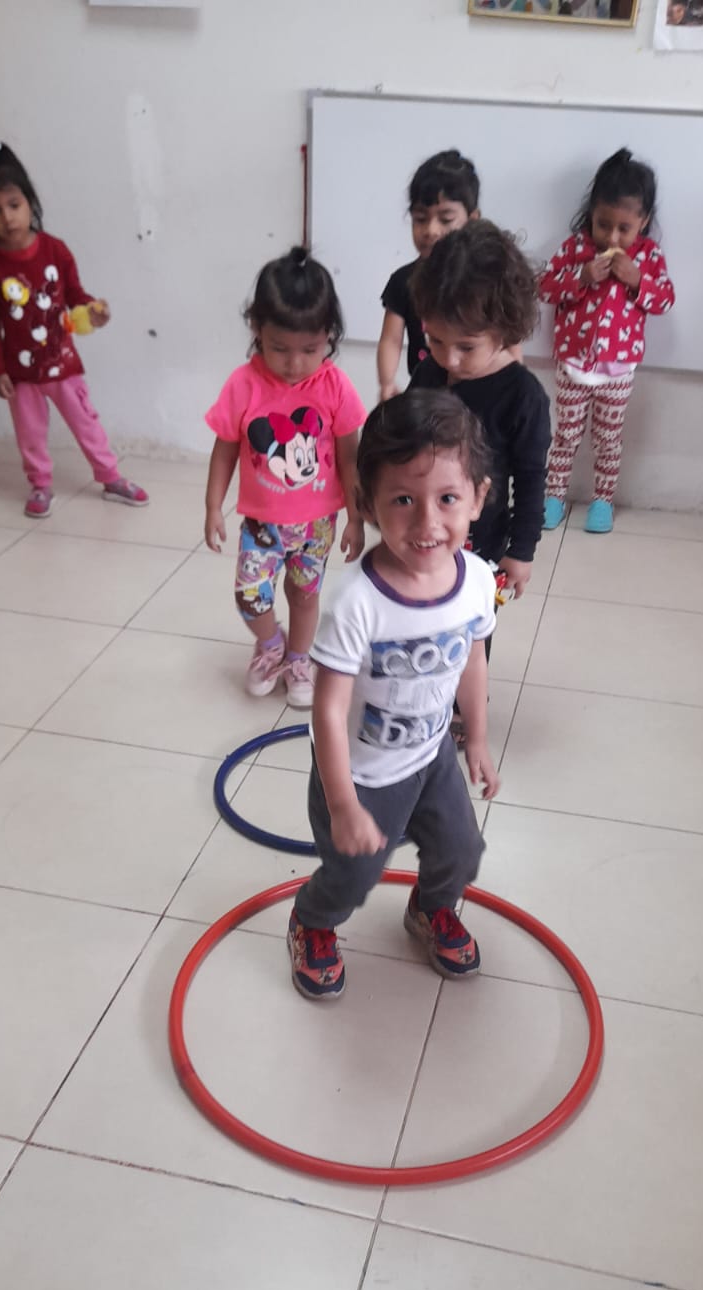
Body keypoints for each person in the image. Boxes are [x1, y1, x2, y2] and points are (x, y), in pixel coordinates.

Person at [287, 389, 500, 1001]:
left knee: (462, 852)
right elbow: (328, 709)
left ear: (478, 498)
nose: (427, 523)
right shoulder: (358, 601)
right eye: (403, 499)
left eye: (447, 499)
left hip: (433, 756)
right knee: (354, 873)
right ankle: (312, 920)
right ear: (367, 503)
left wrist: (477, 738)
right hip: (363, 774)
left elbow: (473, 659)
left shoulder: (476, 580)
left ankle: (430, 909)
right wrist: (343, 804)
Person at [204, 248, 367, 707]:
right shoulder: (243, 384)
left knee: (304, 594)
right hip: (262, 524)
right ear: (257, 330)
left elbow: (350, 458)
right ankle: (270, 644)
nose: (295, 364)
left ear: (329, 336)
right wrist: (213, 506)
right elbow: (225, 449)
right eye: (280, 349)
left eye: (309, 350)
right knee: (250, 596)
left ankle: (299, 659)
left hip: (317, 524)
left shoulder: (335, 386)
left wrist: (356, 518)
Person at [0, 144, 146, 520]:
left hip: (63, 364)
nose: (7, 217)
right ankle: (40, 484)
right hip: (20, 372)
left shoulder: (55, 250)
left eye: (14, 204)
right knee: (30, 434)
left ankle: (110, 477)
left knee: (86, 423)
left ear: (29, 201)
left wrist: (94, 310)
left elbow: (76, 296)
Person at [408, 220, 551, 609]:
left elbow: (531, 479)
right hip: (421, 529)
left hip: (483, 540)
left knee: (471, 623)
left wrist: (521, 551)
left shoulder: (523, 396)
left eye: (467, 347)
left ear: (504, 331)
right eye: (436, 340)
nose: (449, 359)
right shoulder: (428, 372)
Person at [539, 149, 675, 535]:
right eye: (603, 225)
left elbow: (665, 300)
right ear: (591, 213)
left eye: (624, 228)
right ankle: (554, 496)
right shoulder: (575, 249)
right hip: (573, 365)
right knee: (565, 436)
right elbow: (544, 288)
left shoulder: (648, 256)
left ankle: (602, 501)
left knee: (608, 439)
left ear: (643, 222)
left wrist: (637, 280)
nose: (611, 237)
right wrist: (580, 277)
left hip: (618, 370)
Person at [376, 150, 480, 400]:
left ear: (472, 219)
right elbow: (391, 340)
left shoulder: (484, 280)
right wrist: (387, 383)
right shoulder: (403, 281)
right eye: (420, 219)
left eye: (445, 219)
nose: (431, 230)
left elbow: (508, 339)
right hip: (425, 395)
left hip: (478, 393)